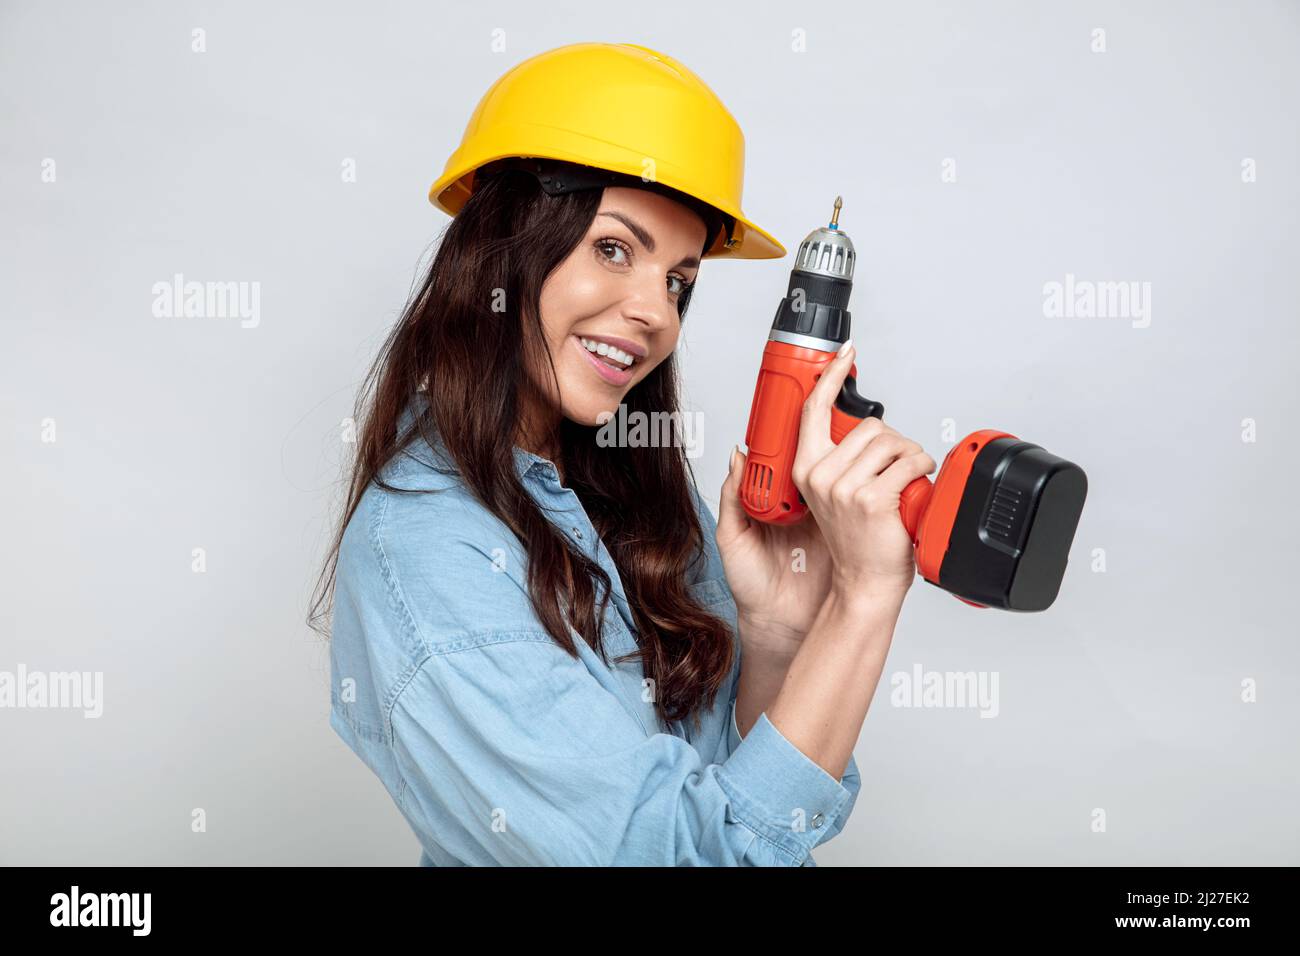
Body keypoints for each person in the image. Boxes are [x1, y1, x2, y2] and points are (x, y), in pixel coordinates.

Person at [309, 42, 935, 866]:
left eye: (679, 280)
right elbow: (691, 856)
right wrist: (862, 599)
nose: (657, 316)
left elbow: (734, 792)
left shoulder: (620, 488)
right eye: (613, 248)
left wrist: (780, 630)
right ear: (502, 248)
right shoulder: (430, 553)